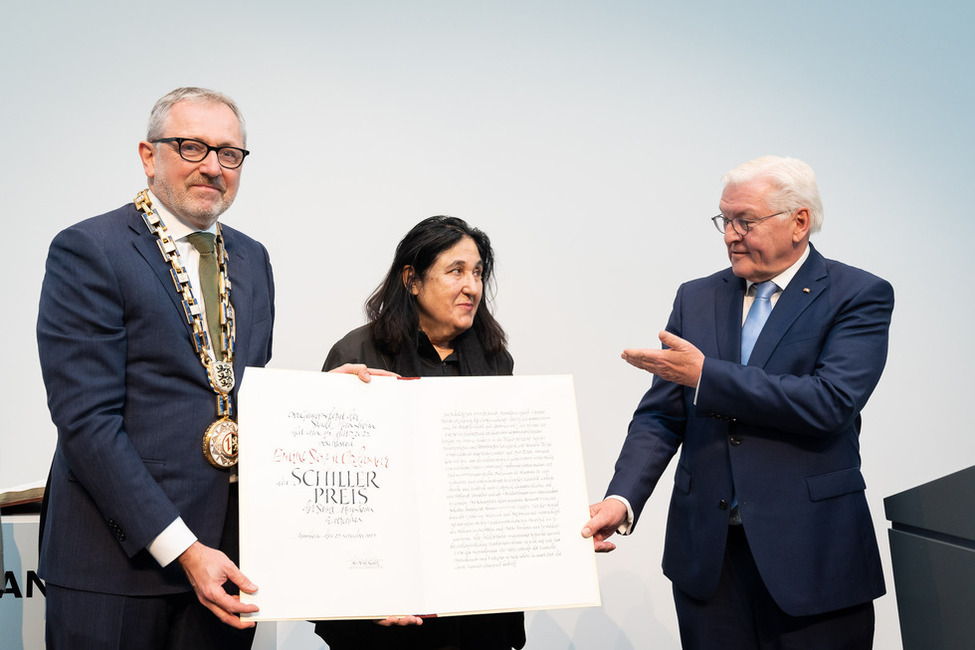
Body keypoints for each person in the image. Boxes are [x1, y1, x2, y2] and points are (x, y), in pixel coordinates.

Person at [35, 87, 384, 649]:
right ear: (149, 156)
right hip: (116, 566)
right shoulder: (90, 249)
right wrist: (184, 549)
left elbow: (237, 391)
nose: (213, 167)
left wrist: (316, 401)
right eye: (192, 147)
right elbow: (87, 424)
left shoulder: (251, 258)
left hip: (226, 561)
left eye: (229, 154)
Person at [582, 156, 893, 649]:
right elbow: (662, 414)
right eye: (723, 221)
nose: (730, 234)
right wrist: (622, 499)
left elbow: (830, 402)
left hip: (813, 555)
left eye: (745, 222)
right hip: (709, 560)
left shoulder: (857, 295)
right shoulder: (697, 297)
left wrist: (707, 375)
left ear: (799, 222)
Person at [314, 216, 527, 650]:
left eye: (479, 272)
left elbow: (506, 481)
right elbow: (328, 493)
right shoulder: (357, 354)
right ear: (412, 280)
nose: (472, 286)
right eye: (456, 271)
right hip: (384, 606)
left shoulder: (495, 359)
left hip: (475, 605)